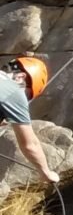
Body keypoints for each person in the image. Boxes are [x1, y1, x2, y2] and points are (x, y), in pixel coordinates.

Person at [2, 56, 59, 187]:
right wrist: (46, 173)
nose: (25, 99)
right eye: (27, 95)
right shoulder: (14, 91)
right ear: (20, 77)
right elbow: (30, 145)